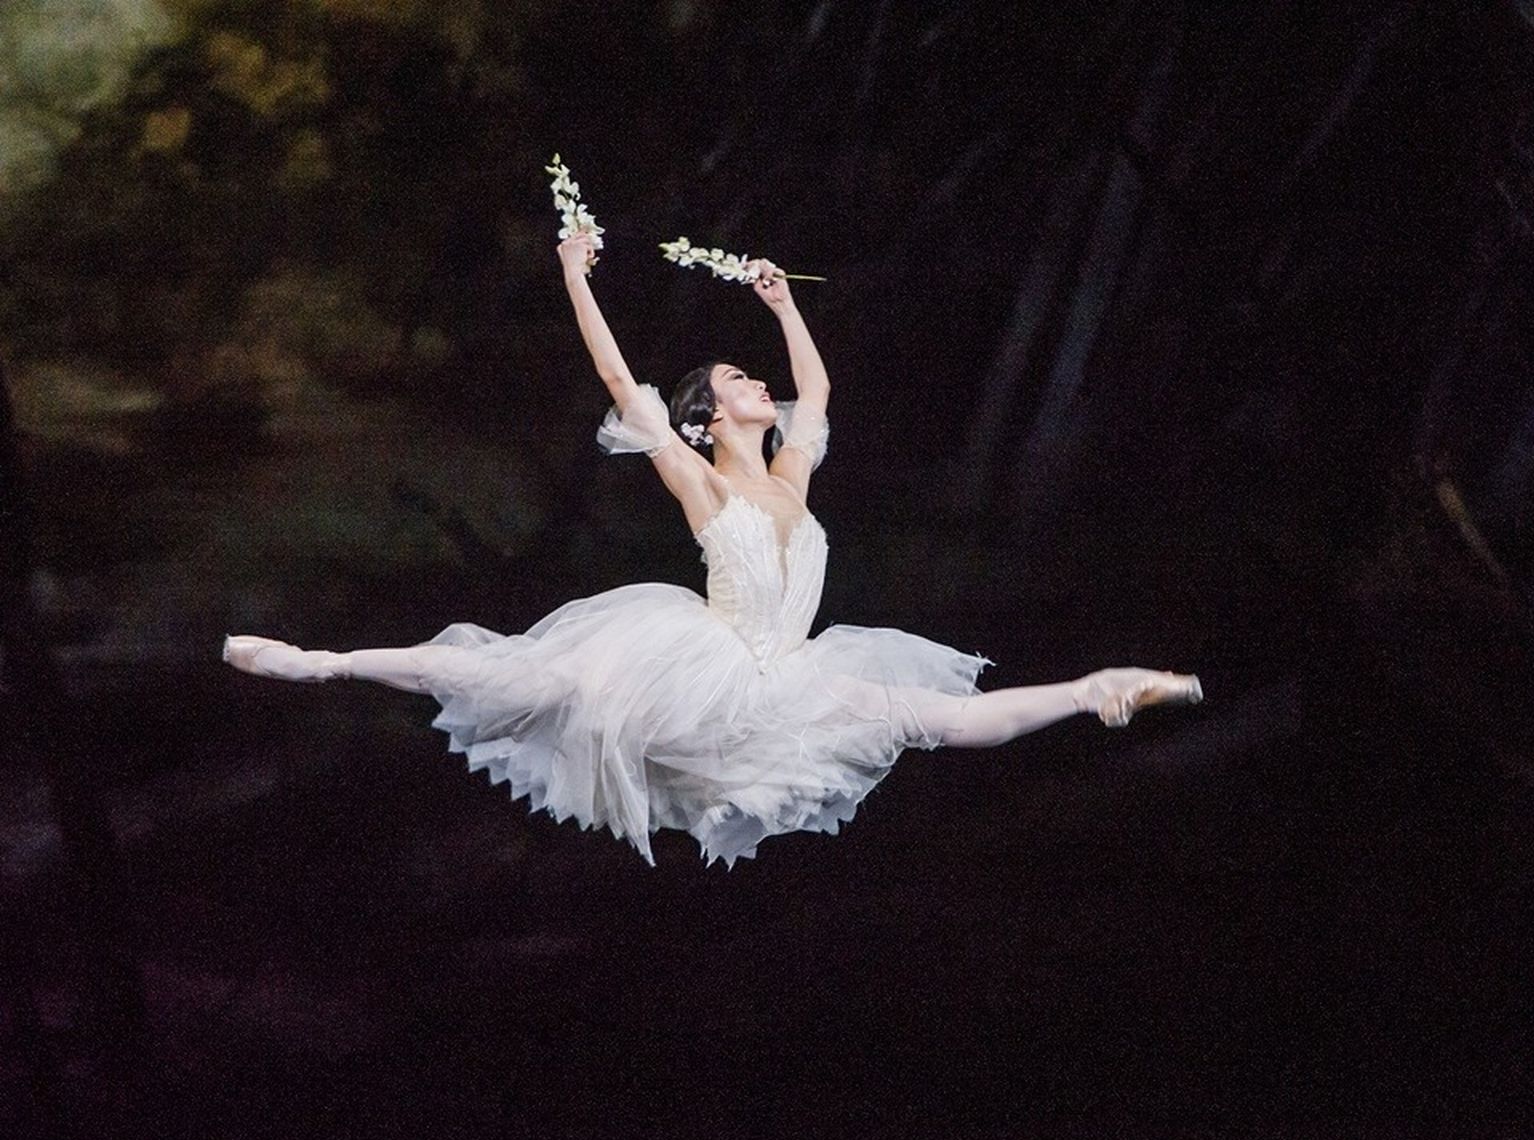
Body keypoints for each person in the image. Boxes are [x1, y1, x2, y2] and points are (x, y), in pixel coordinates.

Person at [222, 231, 1202, 866]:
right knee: (526, 680)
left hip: (792, 674)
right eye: (739, 377)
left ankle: (1091, 689)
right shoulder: (700, 479)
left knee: (932, 717)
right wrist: (573, 275)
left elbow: (816, 397)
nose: (757, 385)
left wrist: (783, 307)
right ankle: (326, 665)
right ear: (706, 416)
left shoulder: (790, 476)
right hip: (701, 666)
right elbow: (615, 376)